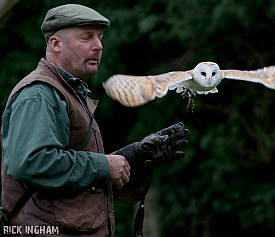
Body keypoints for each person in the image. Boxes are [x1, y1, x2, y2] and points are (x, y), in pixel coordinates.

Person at [0, 4, 190, 237]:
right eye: (86, 38)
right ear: (56, 44)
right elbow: (30, 163)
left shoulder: (68, 92)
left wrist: (133, 156)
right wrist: (104, 165)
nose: (98, 46)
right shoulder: (39, 94)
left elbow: (71, 171)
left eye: (99, 37)